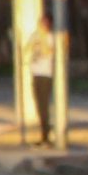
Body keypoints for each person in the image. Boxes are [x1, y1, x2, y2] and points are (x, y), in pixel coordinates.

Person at [26, 14, 55, 146]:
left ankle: (46, 136)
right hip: (36, 73)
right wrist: (33, 39)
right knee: (38, 106)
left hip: (45, 74)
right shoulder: (35, 35)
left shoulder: (49, 37)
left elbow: (45, 52)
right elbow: (27, 50)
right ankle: (44, 133)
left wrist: (41, 37)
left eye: (42, 22)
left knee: (44, 106)